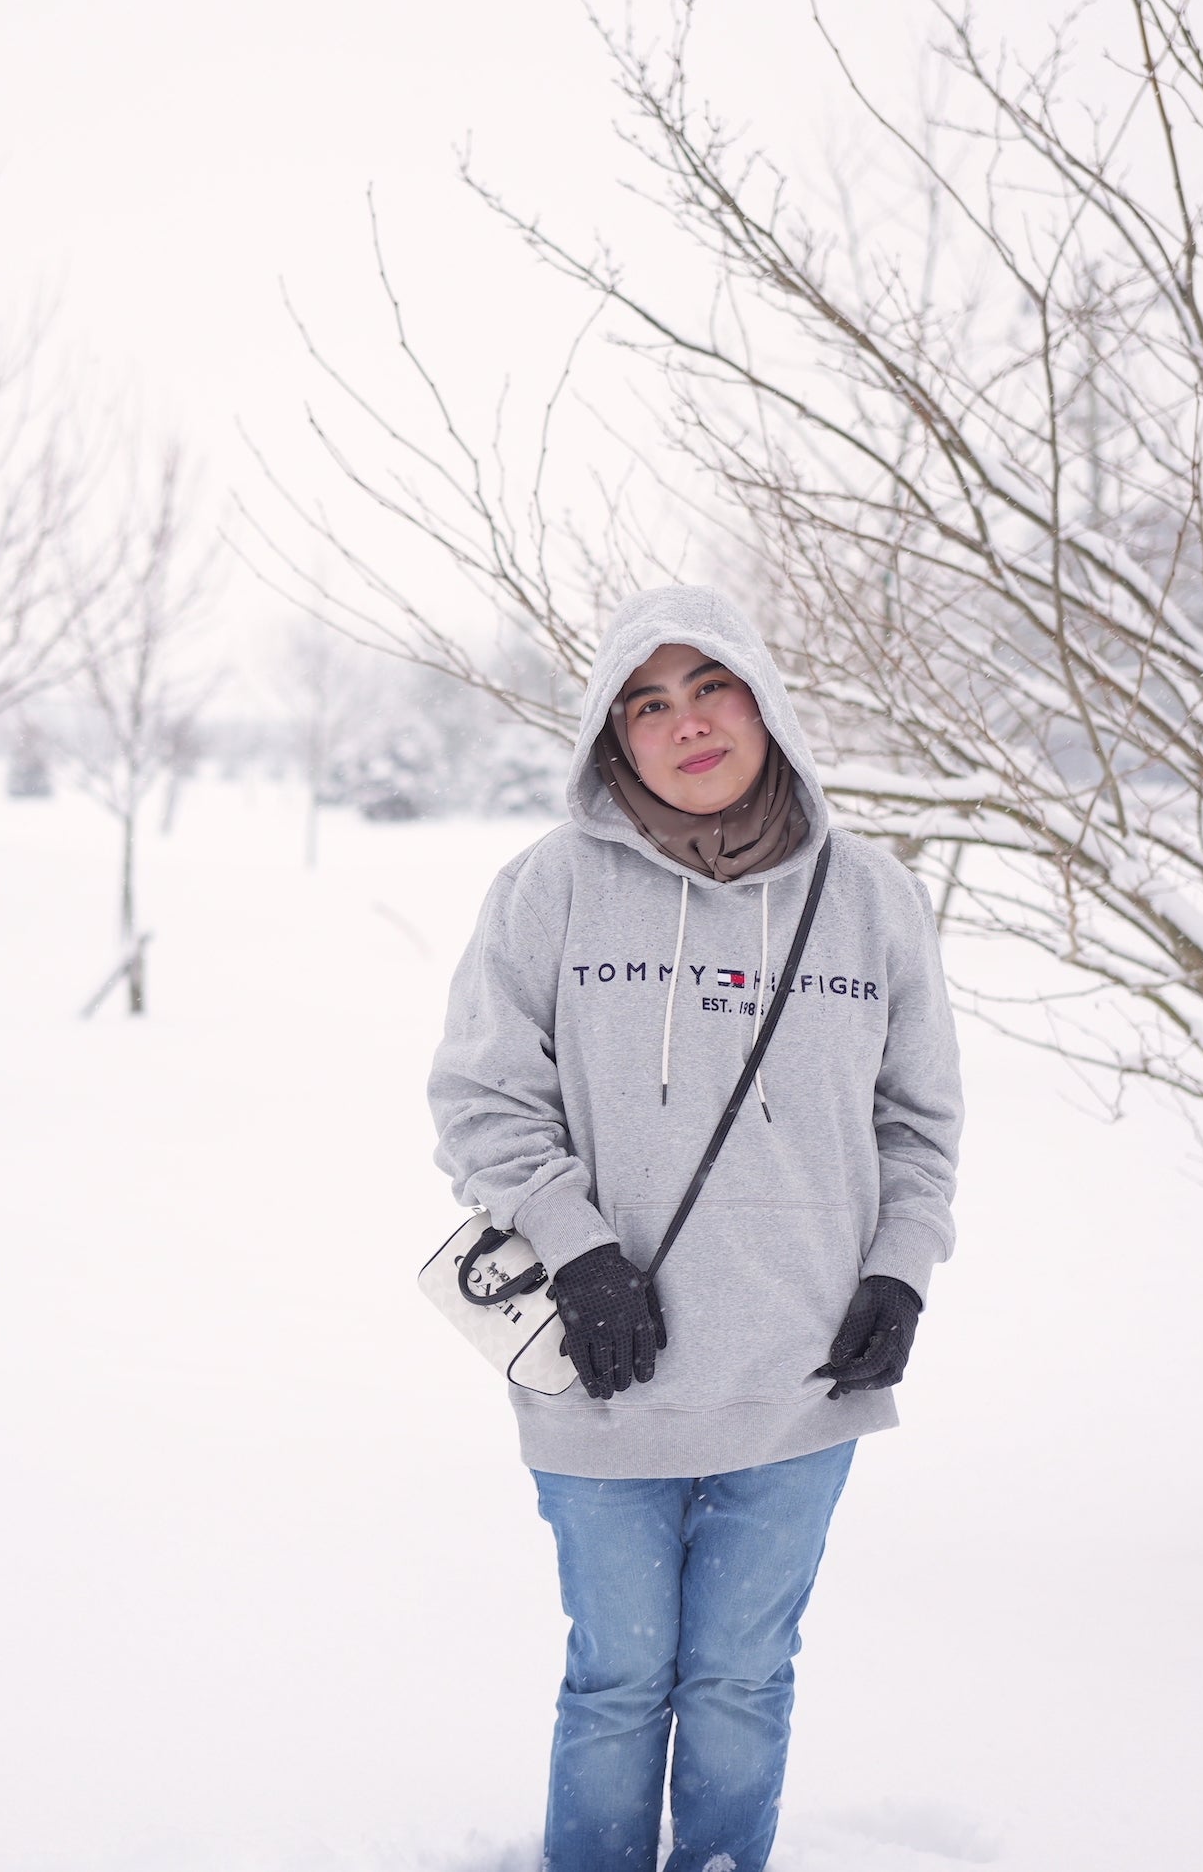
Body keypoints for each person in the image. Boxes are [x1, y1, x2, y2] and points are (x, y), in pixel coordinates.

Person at [429, 586, 963, 1872]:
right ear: (614, 741)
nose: (686, 724)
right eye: (646, 705)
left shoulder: (869, 897)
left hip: (798, 1378)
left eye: (708, 687)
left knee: (739, 1681)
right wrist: (577, 1248)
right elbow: (480, 1100)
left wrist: (899, 1273)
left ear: (763, 701)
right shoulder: (551, 887)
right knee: (616, 1682)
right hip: (604, 1376)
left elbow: (919, 1122)